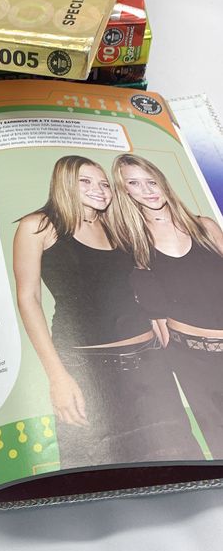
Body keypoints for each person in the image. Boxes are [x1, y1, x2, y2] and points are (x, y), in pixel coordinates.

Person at [13, 155, 201, 468]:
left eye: (104, 184)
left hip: (150, 363)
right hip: (87, 368)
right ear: (64, 183)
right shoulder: (39, 226)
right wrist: (57, 376)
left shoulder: (115, 226)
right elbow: (28, 298)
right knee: (97, 470)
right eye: (85, 182)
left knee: (175, 460)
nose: (99, 190)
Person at [111, 153, 223, 457]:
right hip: (190, 358)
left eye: (151, 181)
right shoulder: (133, 245)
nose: (147, 190)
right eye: (134, 183)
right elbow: (154, 315)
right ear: (124, 191)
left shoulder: (205, 227)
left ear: (162, 181)